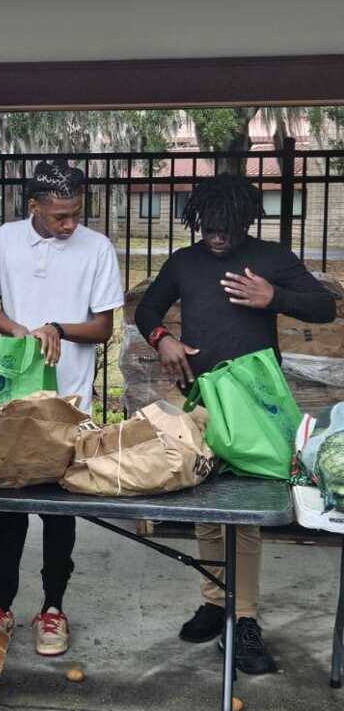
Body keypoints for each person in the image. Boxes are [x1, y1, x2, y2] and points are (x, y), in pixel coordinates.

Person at [136, 173, 336, 674]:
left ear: (245, 221)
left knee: (245, 515)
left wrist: (276, 297)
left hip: (256, 407)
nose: (216, 236)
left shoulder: (272, 259)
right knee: (205, 505)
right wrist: (163, 339)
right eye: (207, 227)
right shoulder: (185, 261)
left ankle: (243, 618)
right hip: (201, 402)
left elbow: (324, 307)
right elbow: (148, 308)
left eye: (225, 228)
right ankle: (214, 600)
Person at [0, 159, 124, 656]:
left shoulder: (97, 249)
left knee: (61, 511)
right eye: (60, 215)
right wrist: (23, 334)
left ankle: (53, 608)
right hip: (13, 398)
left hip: (70, 400)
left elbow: (102, 327)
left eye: (76, 213)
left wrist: (56, 328)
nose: (69, 224)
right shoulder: (5, 241)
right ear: (34, 205)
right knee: (9, 508)